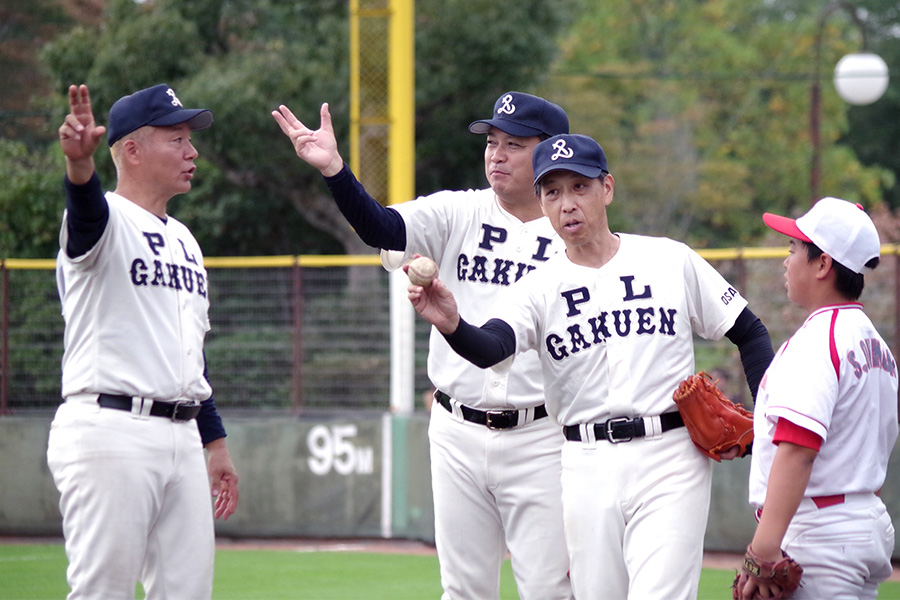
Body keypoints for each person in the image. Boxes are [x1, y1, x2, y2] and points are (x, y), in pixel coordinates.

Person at [406, 133, 775, 599]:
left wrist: (768, 422)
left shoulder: (667, 258)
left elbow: (749, 332)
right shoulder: (538, 287)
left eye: (580, 187)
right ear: (541, 203)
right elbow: (492, 348)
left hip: (670, 456)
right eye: (552, 192)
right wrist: (453, 323)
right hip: (584, 462)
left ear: (608, 189)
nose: (567, 204)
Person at [273, 92, 574, 599]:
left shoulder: (574, 231)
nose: (495, 155)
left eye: (513, 145)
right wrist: (335, 171)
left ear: (550, 151)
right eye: (492, 142)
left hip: (541, 434)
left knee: (550, 590)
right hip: (456, 428)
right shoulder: (459, 211)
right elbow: (381, 227)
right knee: (462, 590)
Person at [48, 83, 239, 599]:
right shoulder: (103, 220)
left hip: (181, 435)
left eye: (189, 139)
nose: (192, 151)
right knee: (102, 592)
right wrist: (80, 167)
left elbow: (188, 356)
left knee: (187, 593)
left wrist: (214, 443)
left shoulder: (184, 239)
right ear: (131, 149)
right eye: (176, 138)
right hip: (110, 429)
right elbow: (86, 212)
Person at [735, 198, 898, 600]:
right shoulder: (876, 346)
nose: (785, 261)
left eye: (793, 250)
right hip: (864, 522)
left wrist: (763, 549)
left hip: (820, 533)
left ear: (823, 264)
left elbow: (800, 449)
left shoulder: (817, 342)